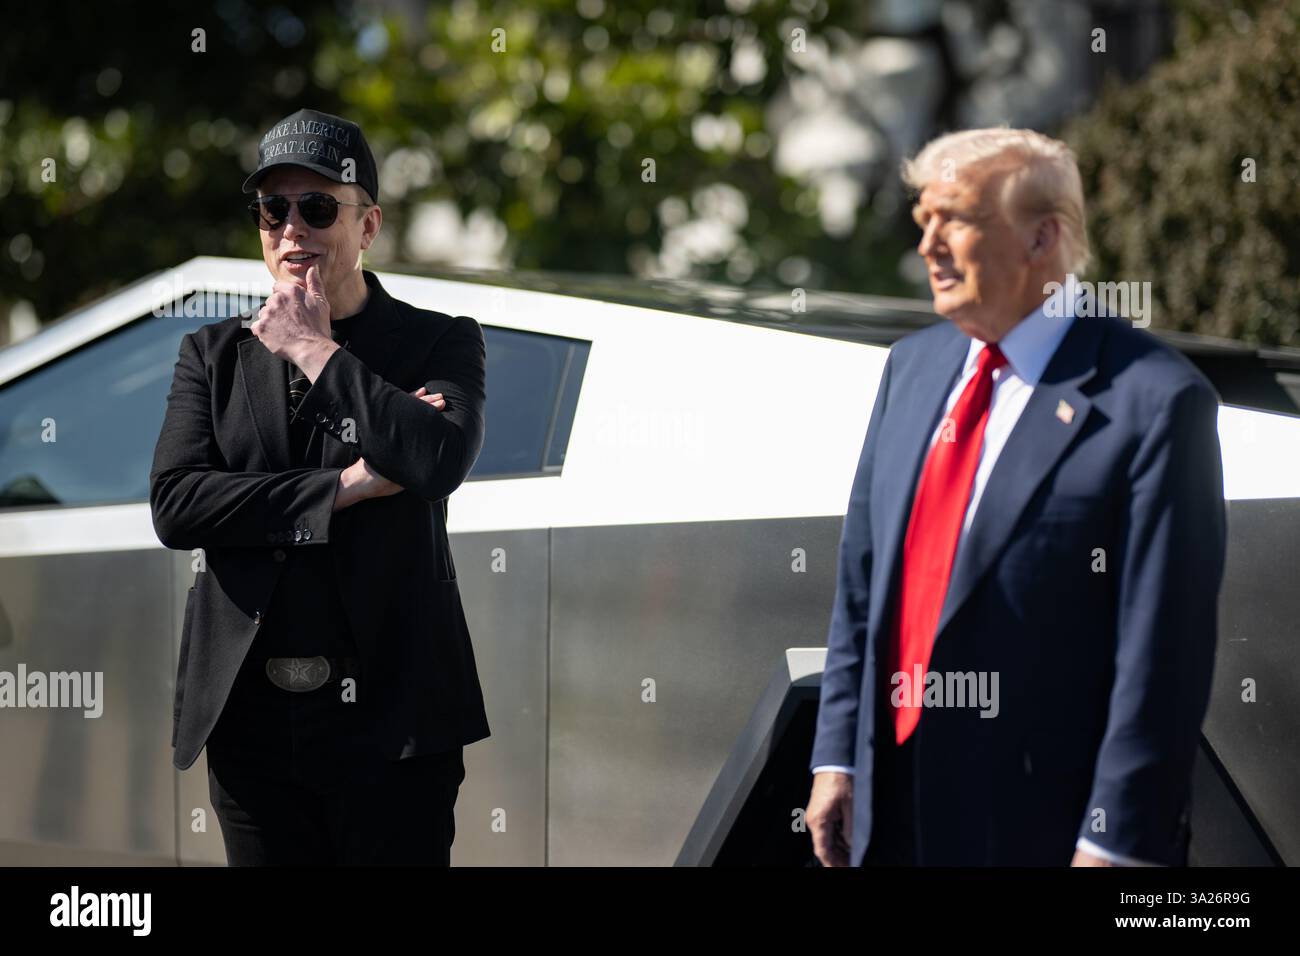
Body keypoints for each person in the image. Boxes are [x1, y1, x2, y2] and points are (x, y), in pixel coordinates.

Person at [806, 127, 1225, 867]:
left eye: (956, 220)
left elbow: (1164, 658)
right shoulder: (912, 367)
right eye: (923, 221)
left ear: (1043, 239)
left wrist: (1113, 842)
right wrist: (837, 758)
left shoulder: (1155, 401)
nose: (928, 245)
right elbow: (863, 586)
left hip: (1042, 832)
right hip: (891, 811)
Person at [149, 108, 490, 865]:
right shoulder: (212, 354)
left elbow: (436, 461)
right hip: (250, 719)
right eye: (274, 209)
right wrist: (342, 489)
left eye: (317, 207)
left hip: (394, 721)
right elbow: (176, 503)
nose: (291, 228)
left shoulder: (439, 340)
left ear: (367, 226)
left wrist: (312, 348)